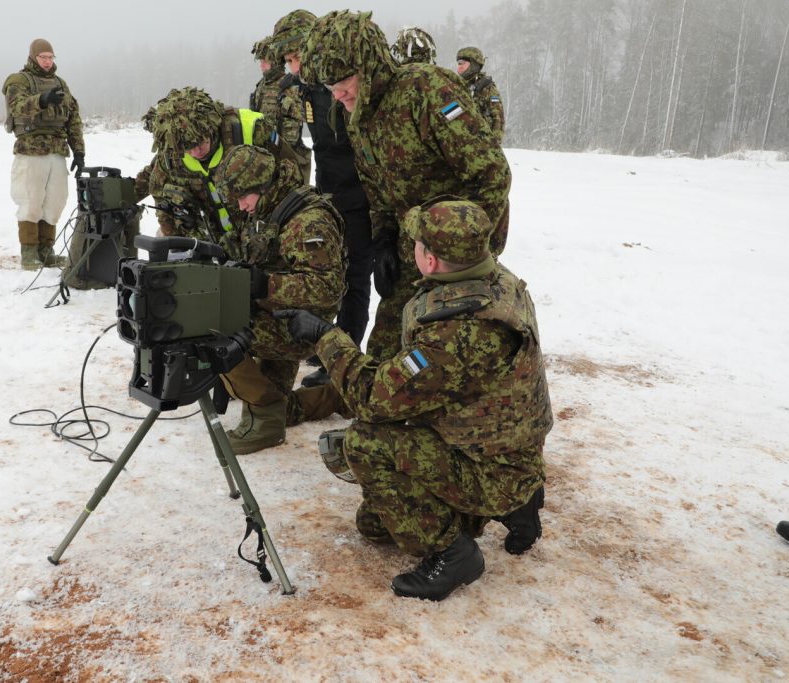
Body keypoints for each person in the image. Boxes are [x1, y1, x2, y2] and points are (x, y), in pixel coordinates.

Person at [276, 199, 552, 601]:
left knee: (365, 443)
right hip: (508, 451)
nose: (412, 249)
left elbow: (372, 397)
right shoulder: (496, 282)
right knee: (375, 525)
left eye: (418, 243)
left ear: (432, 260)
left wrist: (324, 335)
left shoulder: (457, 332)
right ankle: (518, 504)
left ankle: (455, 554)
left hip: (492, 467)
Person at [301, 11, 512, 364]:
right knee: (387, 347)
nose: (337, 96)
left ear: (368, 67)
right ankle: (382, 413)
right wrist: (383, 240)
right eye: (329, 88)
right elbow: (378, 191)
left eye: (343, 83)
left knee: (452, 351)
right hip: (411, 242)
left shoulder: (427, 91)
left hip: (462, 246)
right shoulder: (359, 119)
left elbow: (492, 174)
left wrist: (459, 250)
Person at [212, 145, 345, 454]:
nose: (242, 206)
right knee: (282, 410)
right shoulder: (268, 209)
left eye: (245, 197)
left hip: (301, 329)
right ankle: (340, 396)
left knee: (215, 329)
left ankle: (266, 422)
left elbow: (328, 288)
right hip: (275, 315)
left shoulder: (309, 222)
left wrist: (264, 285)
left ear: (262, 185)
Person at [270, 9, 375, 390]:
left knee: (357, 273)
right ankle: (330, 342)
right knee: (332, 268)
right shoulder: (304, 87)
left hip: (364, 193)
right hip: (330, 189)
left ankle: (346, 353)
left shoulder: (341, 81)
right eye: (287, 61)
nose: (291, 66)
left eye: (294, 57)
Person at [139, 87, 276, 257]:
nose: (197, 151)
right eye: (188, 148)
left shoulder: (250, 129)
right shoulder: (171, 152)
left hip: (259, 237)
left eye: (201, 142)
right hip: (204, 242)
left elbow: (289, 178)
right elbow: (156, 193)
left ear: (211, 126)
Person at [2, 38, 85, 270]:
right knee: (30, 201)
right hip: (31, 150)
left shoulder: (61, 83)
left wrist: (79, 152)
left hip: (57, 151)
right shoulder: (19, 81)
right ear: (33, 57)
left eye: (50, 57)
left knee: (55, 202)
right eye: (43, 57)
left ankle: (46, 252)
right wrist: (42, 99)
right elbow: (17, 106)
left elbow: (73, 118)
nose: (47, 62)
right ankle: (29, 254)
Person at [249, 37, 311, 185]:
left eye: (264, 61)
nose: (261, 65)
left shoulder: (291, 83)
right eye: (260, 61)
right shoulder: (261, 87)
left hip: (289, 154)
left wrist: (286, 103)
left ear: (275, 61)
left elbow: (306, 115)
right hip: (266, 155)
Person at [456, 47, 505, 144]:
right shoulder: (456, 87)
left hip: (481, 146)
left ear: (474, 64)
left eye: (462, 63)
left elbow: (498, 119)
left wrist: (493, 146)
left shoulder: (487, 88)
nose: (459, 67)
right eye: (458, 64)